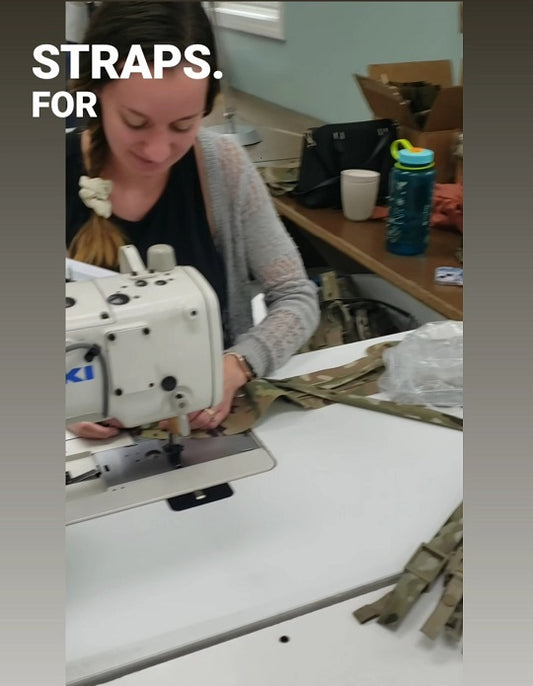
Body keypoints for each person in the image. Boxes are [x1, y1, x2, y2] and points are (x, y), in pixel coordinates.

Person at [66, 1, 319, 439]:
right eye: (135, 122)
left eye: (183, 126)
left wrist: (236, 364)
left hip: (199, 422)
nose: (159, 151)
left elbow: (296, 296)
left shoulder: (223, 169)